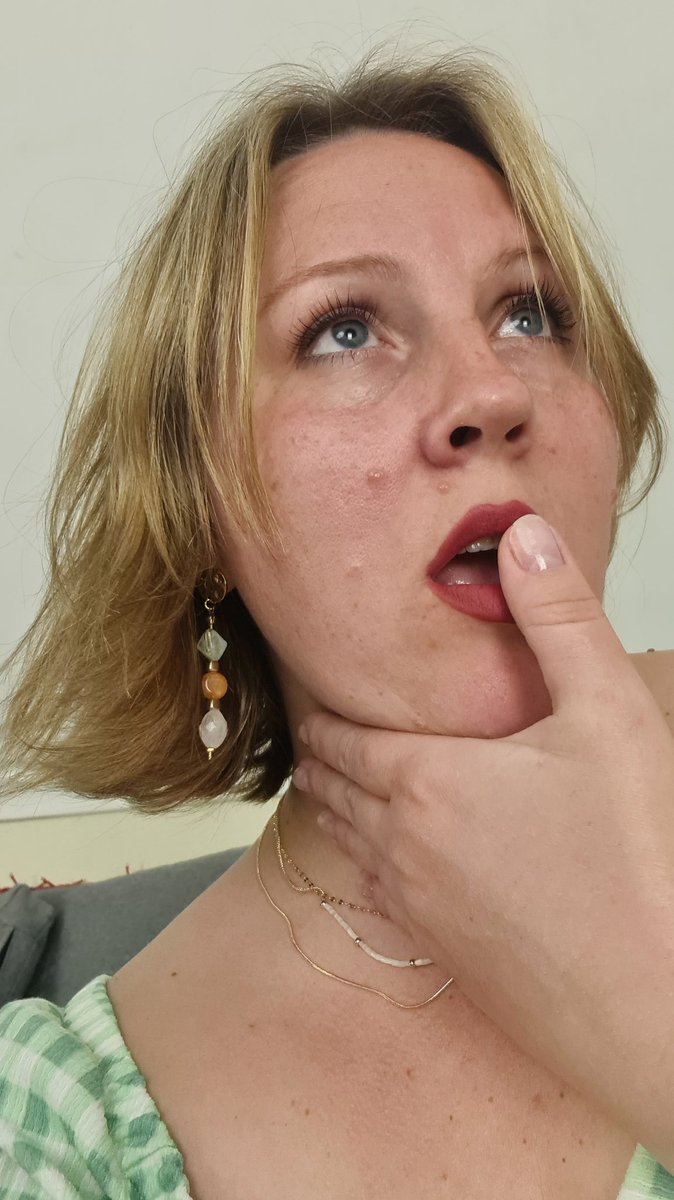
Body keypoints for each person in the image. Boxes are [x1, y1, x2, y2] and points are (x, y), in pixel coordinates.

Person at [0, 43, 672, 1199]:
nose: (490, 392)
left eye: (529, 314)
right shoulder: (56, 1118)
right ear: (197, 508)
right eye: (343, 331)